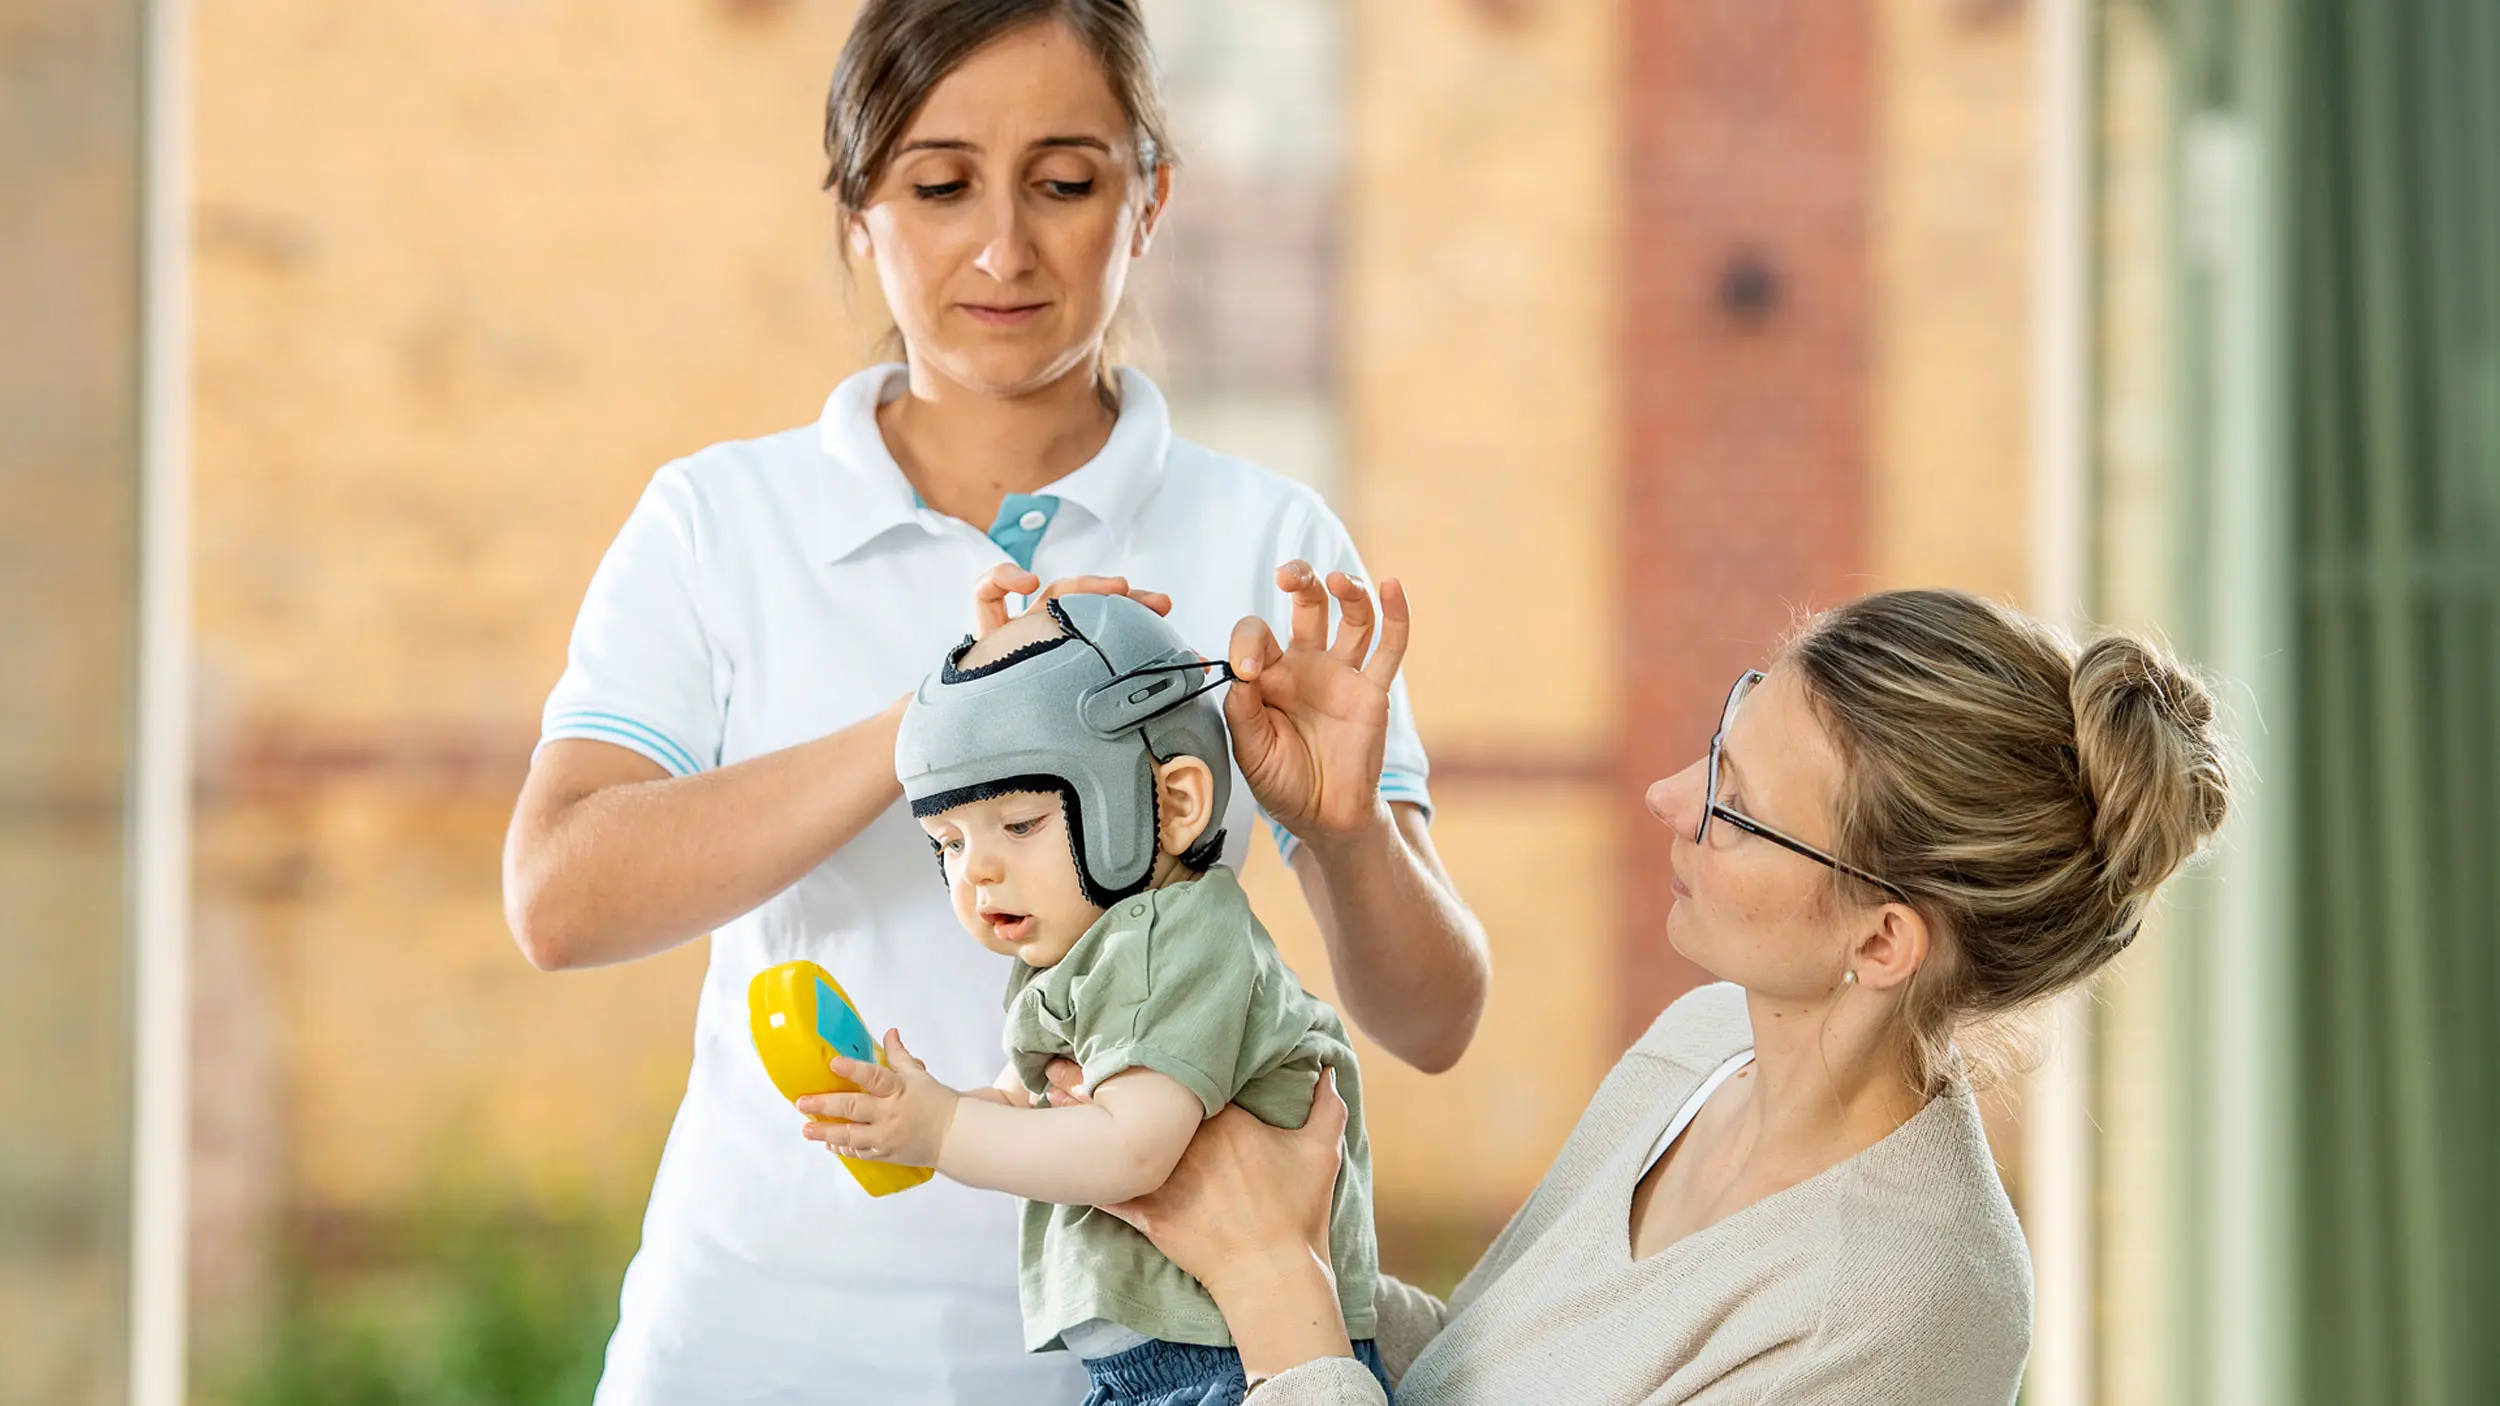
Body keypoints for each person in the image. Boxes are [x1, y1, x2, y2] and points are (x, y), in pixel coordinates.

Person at [498, 2, 1486, 1400]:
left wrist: (1341, 830)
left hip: (1145, 1363)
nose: (1004, 248)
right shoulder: (721, 521)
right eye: (940, 182)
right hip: (754, 1349)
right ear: (856, 211)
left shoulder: (1265, 539)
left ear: (1151, 199)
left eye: (1067, 182)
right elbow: (559, 895)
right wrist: (942, 725)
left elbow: (1437, 1019)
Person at [1064, 589, 2233, 1404]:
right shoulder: (1709, 1045)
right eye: (1722, 732)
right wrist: (1281, 1237)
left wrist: (1280, 1290)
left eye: (1734, 800)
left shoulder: (1900, 1307)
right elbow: (1489, 1373)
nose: (1670, 795)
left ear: (1882, 940)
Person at [796, 594, 1389, 1405]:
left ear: (1176, 803)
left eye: (1022, 822)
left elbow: (1130, 1152)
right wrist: (918, 1112)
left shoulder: (1176, 937)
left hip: (1230, 1363)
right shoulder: (1088, 950)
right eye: (952, 843)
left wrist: (941, 1129)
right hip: (1167, 1364)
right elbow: (1039, 1111)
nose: (977, 871)